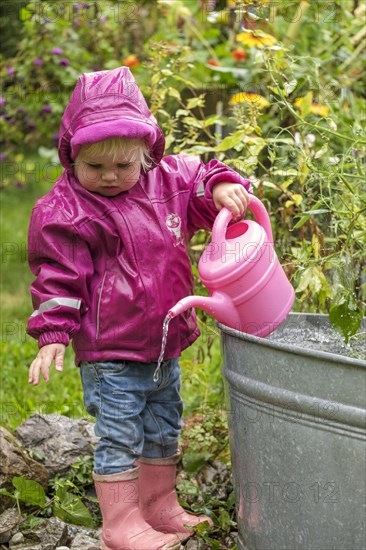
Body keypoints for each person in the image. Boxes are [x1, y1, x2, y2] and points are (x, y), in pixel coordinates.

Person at [27, 67, 251, 550]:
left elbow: (201, 178)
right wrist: (52, 333)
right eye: (94, 167)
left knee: (163, 423)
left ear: (147, 154)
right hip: (111, 353)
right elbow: (58, 276)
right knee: (120, 433)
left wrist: (219, 188)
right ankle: (121, 522)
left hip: (164, 341)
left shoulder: (167, 181)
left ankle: (159, 505)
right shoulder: (67, 210)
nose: (109, 177)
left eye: (122, 166)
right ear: (71, 156)